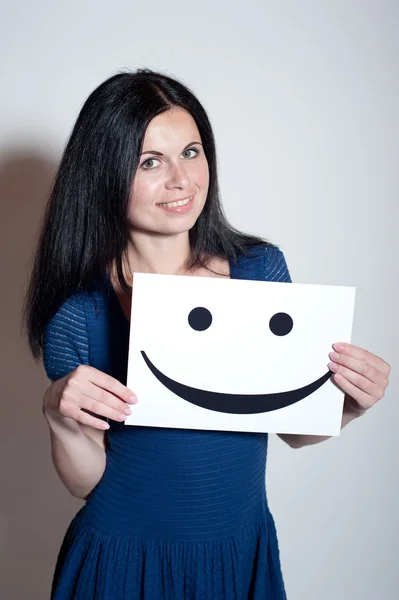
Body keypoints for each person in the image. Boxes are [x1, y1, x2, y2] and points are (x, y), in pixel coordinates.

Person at [23, 69, 391, 600]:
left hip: (236, 551)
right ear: (103, 174)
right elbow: (85, 482)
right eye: (150, 162)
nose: (182, 180)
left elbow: (293, 427)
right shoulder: (81, 313)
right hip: (123, 561)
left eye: (191, 153)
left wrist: (350, 402)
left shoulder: (259, 270)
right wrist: (59, 417)